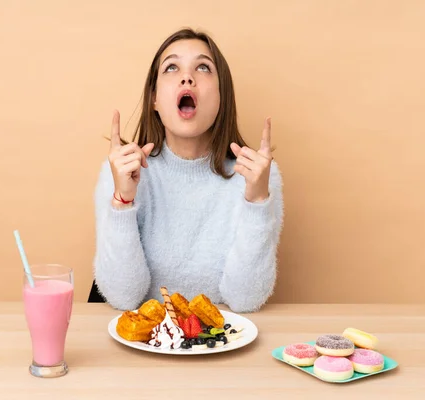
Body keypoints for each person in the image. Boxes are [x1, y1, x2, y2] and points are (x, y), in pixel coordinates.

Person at [92, 28, 284, 313]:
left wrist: (257, 203)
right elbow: (123, 298)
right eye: (171, 67)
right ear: (155, 99)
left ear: (222, 97)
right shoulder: (121, 171)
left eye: (203, 67)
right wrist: (123, 201)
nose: (187, 77)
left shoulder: (257, 176)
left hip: (217, 345)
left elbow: (246, 299)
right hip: (145, 347)